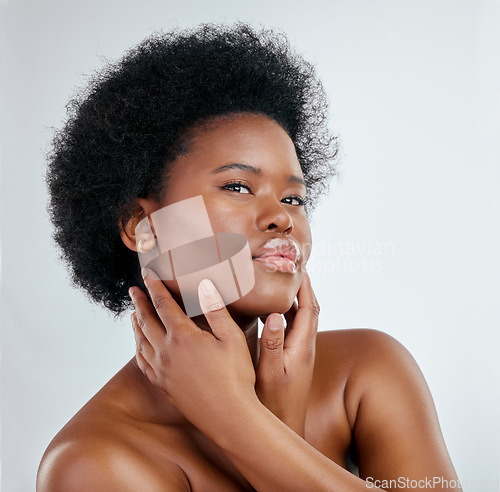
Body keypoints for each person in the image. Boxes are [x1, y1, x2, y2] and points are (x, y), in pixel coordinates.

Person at [37, 23, 461, 491]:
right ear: (144, 228)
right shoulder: (95, 463)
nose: (282, 218)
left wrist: (252, 422)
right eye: (238, 187)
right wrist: (244, 419)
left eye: (295, 199)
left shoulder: (366, 372)